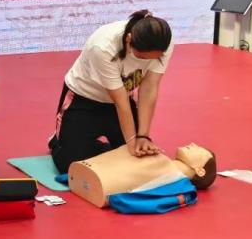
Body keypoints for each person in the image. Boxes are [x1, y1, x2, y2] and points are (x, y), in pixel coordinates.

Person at [50, 10, 173, 174]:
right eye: (142, 57)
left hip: (121, 100)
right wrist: (131, 142)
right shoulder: (103, 47)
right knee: (69, 166)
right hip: (84, 99)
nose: (148, 61)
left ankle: (95, 147)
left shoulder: (163, 42)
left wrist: (143, 136)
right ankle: (58, 140)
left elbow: (149, 87)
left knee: (137, 157)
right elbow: (120, 101)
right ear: (129, 39)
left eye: (154, 58)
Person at [68, 143, 216, 209]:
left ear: (200, 171)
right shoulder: (158, 155)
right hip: (89, 173)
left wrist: (119, 201)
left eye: (199, 149)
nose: (193, 144)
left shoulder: (182, 188)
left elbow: (156, 203)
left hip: (103, 185)